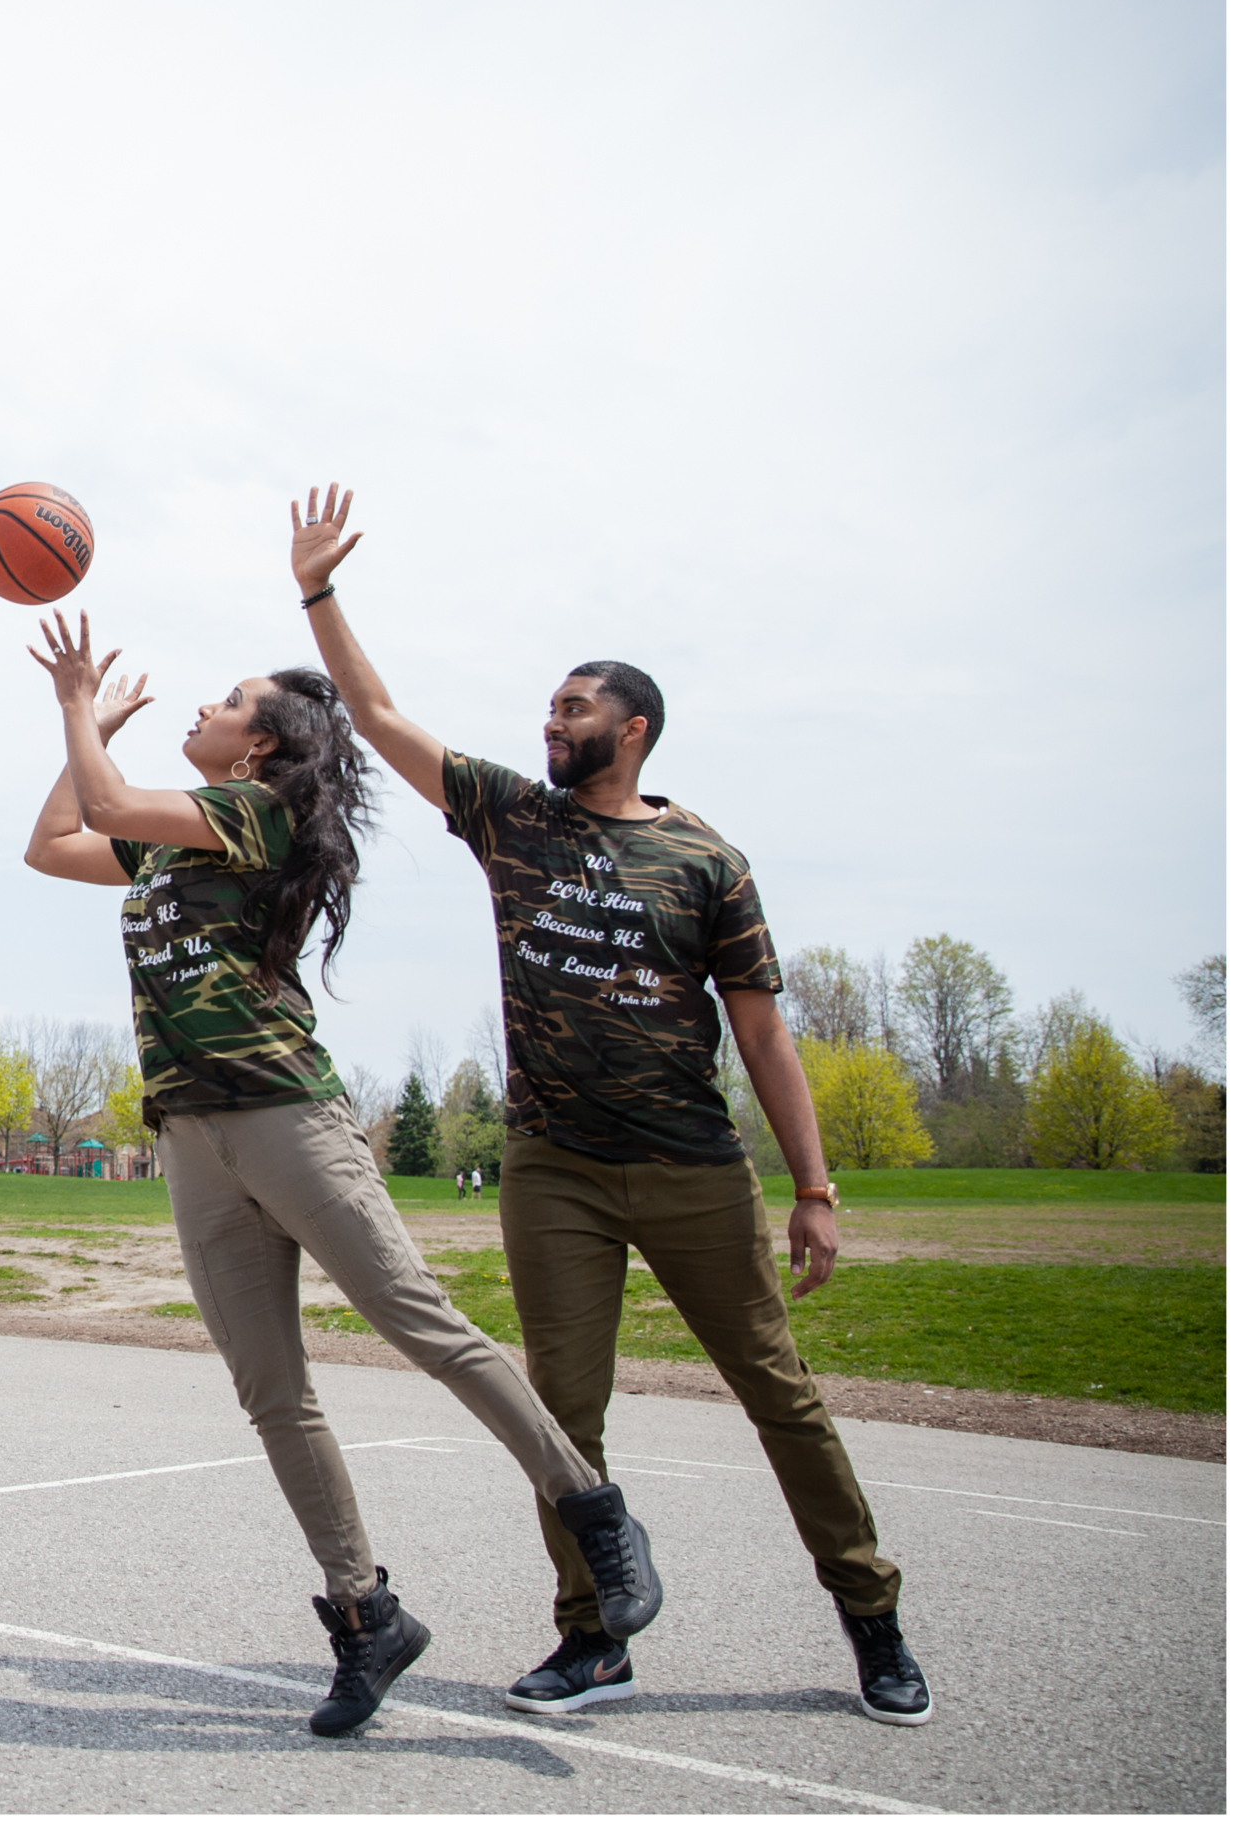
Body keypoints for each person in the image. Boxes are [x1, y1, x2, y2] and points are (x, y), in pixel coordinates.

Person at [290, 483, 927, 1727]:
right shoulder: (511, 818)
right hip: (553, 1170)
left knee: (776, 1392)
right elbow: (372, 714)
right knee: (559, 1407)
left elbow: (759, 1033)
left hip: (691, 1167)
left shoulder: (704, 861)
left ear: (630, 729)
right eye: (546, 705)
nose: (550, 721)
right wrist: (318, 591)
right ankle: (590, 1640)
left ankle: (870, 1616)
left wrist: (812, 1187)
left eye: (573, 706)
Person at [22, 612, 661, 1739]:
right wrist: (83, 730)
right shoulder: (175, 837)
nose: (201, 711)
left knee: (419, 1323)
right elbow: (54, 843)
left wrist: (78, 707)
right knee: (269, 1387)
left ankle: (591, 1508)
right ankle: (364, 1613)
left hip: (283, 1115)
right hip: (191, 1135)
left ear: (258, 747)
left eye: (223, 703)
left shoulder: (257, 815)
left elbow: (108, 802)